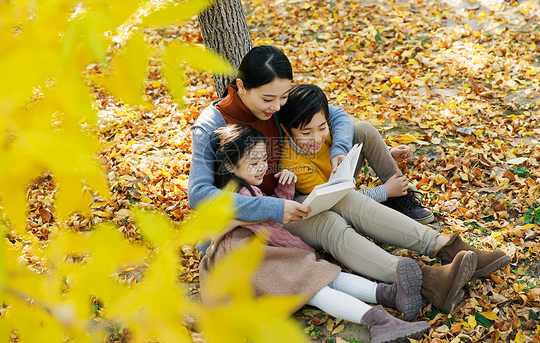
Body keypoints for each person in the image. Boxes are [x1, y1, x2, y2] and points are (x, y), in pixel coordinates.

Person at [188, 46, 510, 314]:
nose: (276, 107)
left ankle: (446, 248)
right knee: (329, 224)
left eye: (283, 97)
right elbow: (199, 195)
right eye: (268, 99)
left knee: (347, 198)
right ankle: (429, 281)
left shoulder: (277, 106)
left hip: (292, 198)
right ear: (241, 87)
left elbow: (338, 115)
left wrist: (338, 150)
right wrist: (271, 209)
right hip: (251, 222)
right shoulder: (211, 124)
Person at [277, 83, 511, 312]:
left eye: (322, 128)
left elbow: (339, 120)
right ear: (287, 130)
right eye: (306, 132)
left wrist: (382, 153)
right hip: (309, 206)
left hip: (337, 182)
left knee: (362, 129)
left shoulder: (319, 126)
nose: (316, 137)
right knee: (337, 214)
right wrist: (383, 192)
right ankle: (428, 280)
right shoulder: (292, 161)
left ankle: (446, 246)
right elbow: (336, 196)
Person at [198, 124, 431, 342]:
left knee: (320, 272)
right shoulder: (231, 195)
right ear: (230, 166)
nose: (261, 167)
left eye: (263, 160)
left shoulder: (249, 187)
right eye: (253, 163)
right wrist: (299, 246)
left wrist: (285, 188)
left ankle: (388, 294)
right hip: (244, 260)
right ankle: (379, 323)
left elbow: (271, 215)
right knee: (311, 284)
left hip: (258, 251)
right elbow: (271, 228)